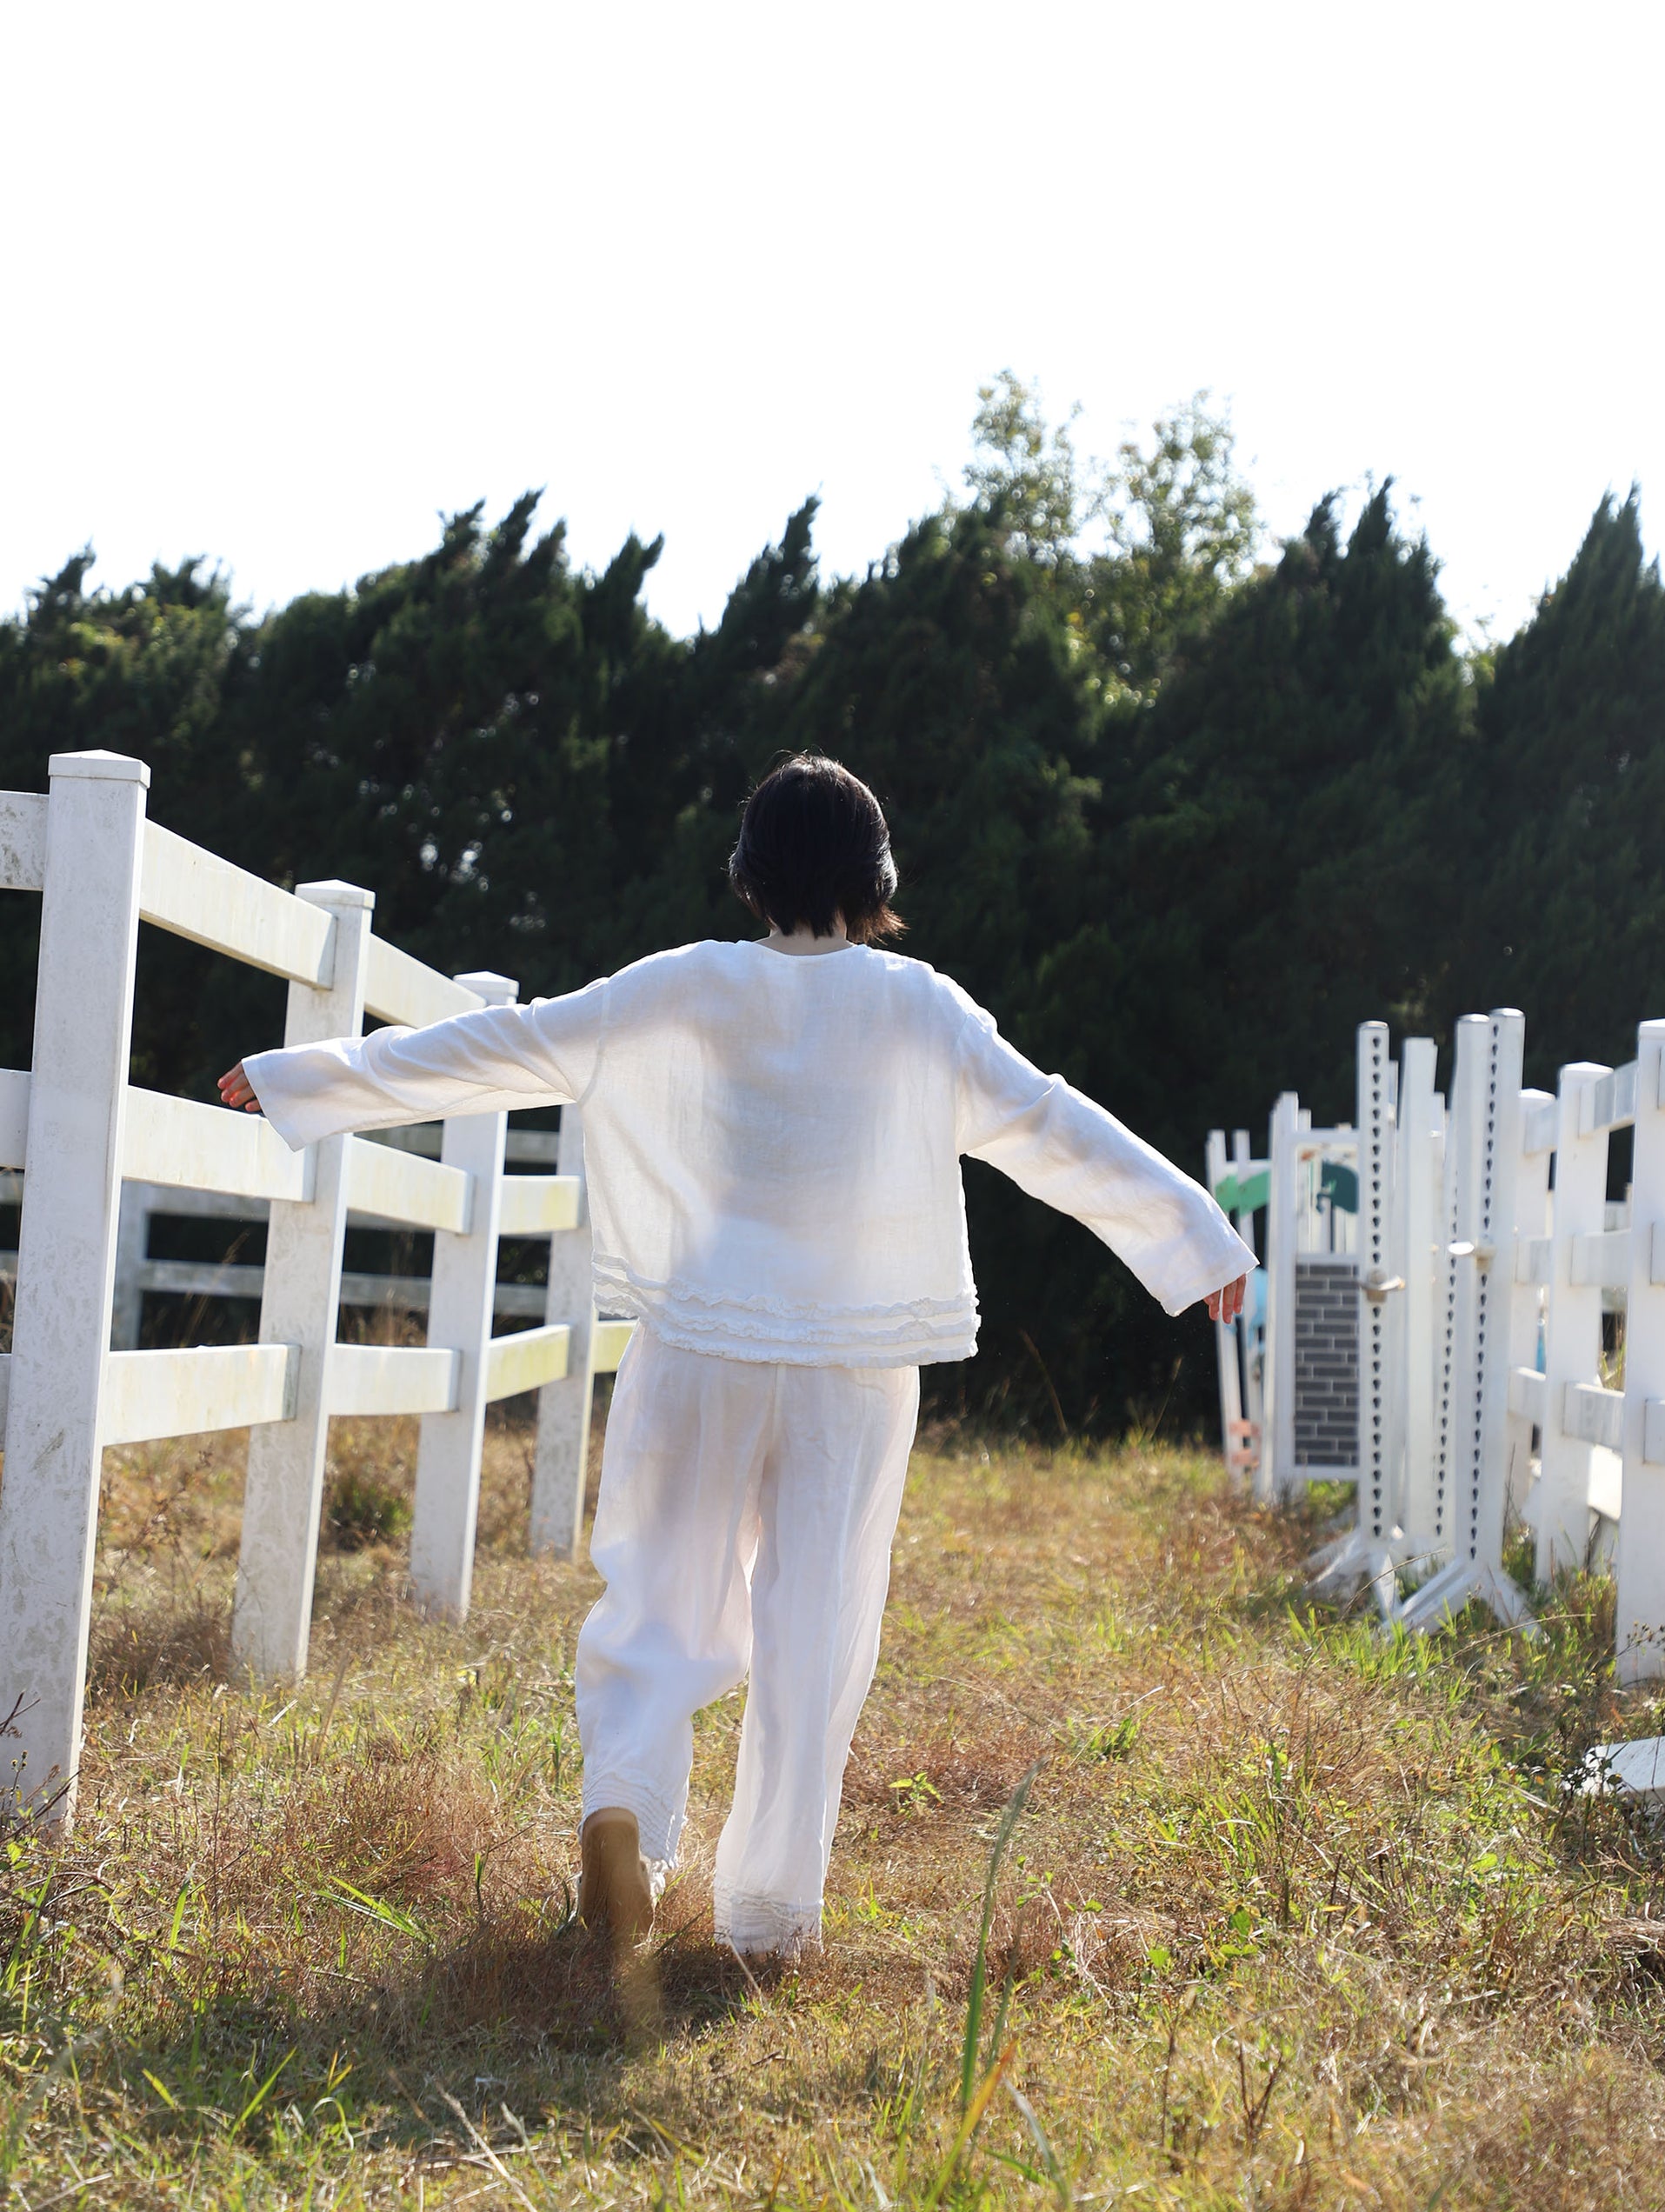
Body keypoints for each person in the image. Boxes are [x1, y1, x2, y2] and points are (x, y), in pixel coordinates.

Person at [220, 755, 1252, 1960]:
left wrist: (302, 1079)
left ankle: (628, 1811)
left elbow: (500, 1047)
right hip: (852, 1367)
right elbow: (1047, 1122)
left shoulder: (679, 987)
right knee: (815, 1626)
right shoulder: (920, 1006)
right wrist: (1192, 1236)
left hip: (699, 1341)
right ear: (877, 877)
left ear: (749, 877)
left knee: (660, 1595)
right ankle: (767, 1916)